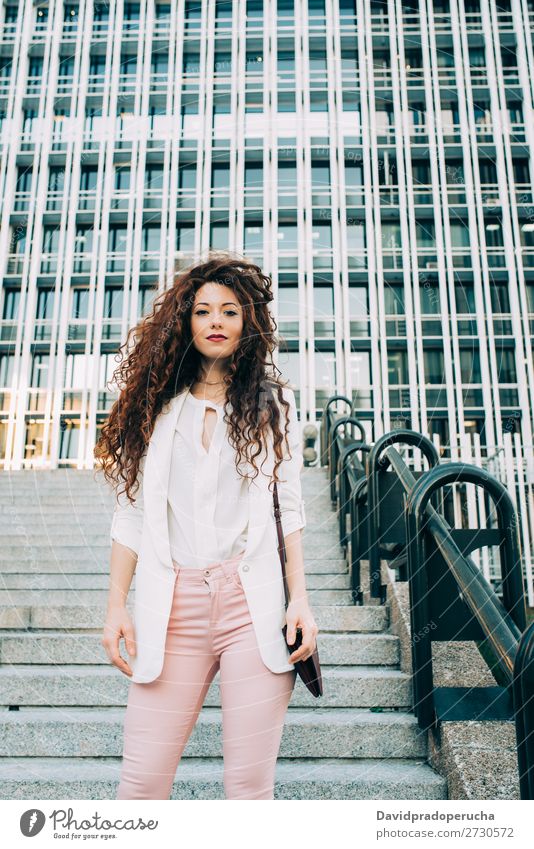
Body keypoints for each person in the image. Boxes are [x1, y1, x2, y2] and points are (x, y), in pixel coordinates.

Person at [95, 252, 319, 800]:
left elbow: (287, 506)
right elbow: (130, 513)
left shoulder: (275, 405)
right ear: (185, 322)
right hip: (173, 609)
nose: (215, 321)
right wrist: (116, 605)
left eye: (230, 311)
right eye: (202, 311)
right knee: (141, 783)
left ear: (249, 325)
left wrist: (300, 600)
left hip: (253, 608)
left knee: (248, 789)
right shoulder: (155, 409)